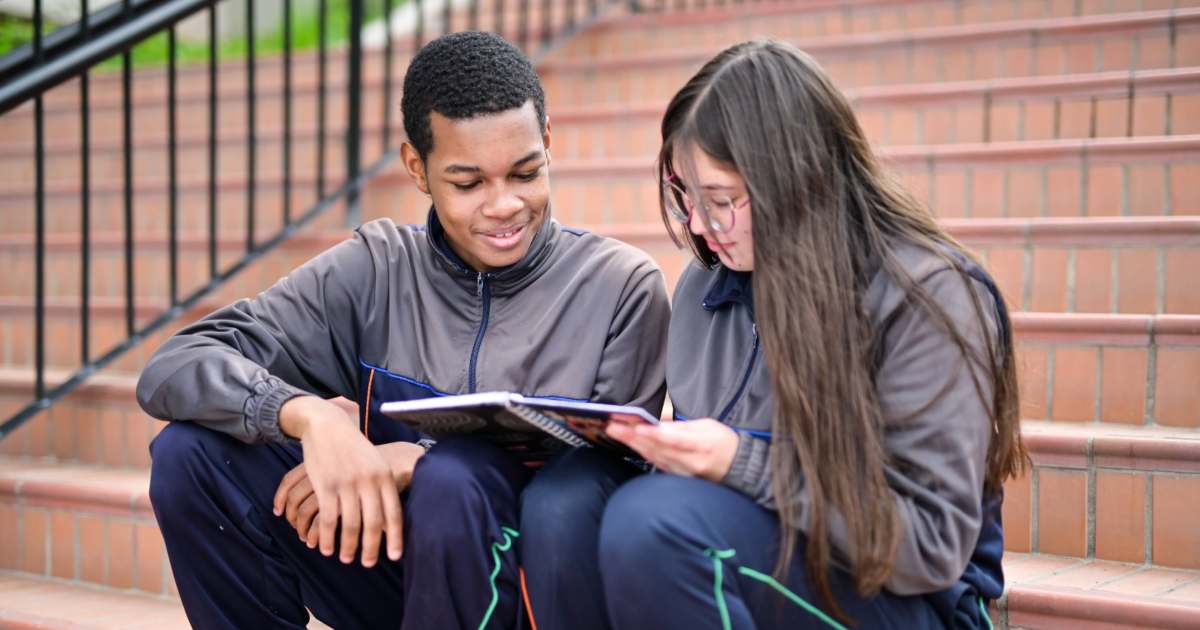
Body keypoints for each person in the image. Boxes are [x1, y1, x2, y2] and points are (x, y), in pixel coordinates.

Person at [136, 31, 669, 630]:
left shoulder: (619, 285)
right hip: (386, 558)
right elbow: (176, 364)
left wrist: (415, 457)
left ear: (547, 144)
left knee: (453, 478)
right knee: (191, 454)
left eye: (525, 173)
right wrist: (310, 419)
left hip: (523, 588)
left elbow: (612, 474)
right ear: (417, 167)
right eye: (468, 183)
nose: (503, 206)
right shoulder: (376, 268)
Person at [600, 39, 1029, 629]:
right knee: (566, 510)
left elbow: (929, 546)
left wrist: (740, 463)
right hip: (769, 565)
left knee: (652, 523)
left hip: (913, 603)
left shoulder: (930, 296)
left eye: (721, 200)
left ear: (799, 178)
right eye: (684, 197)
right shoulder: (705, 287)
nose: (698, 225)